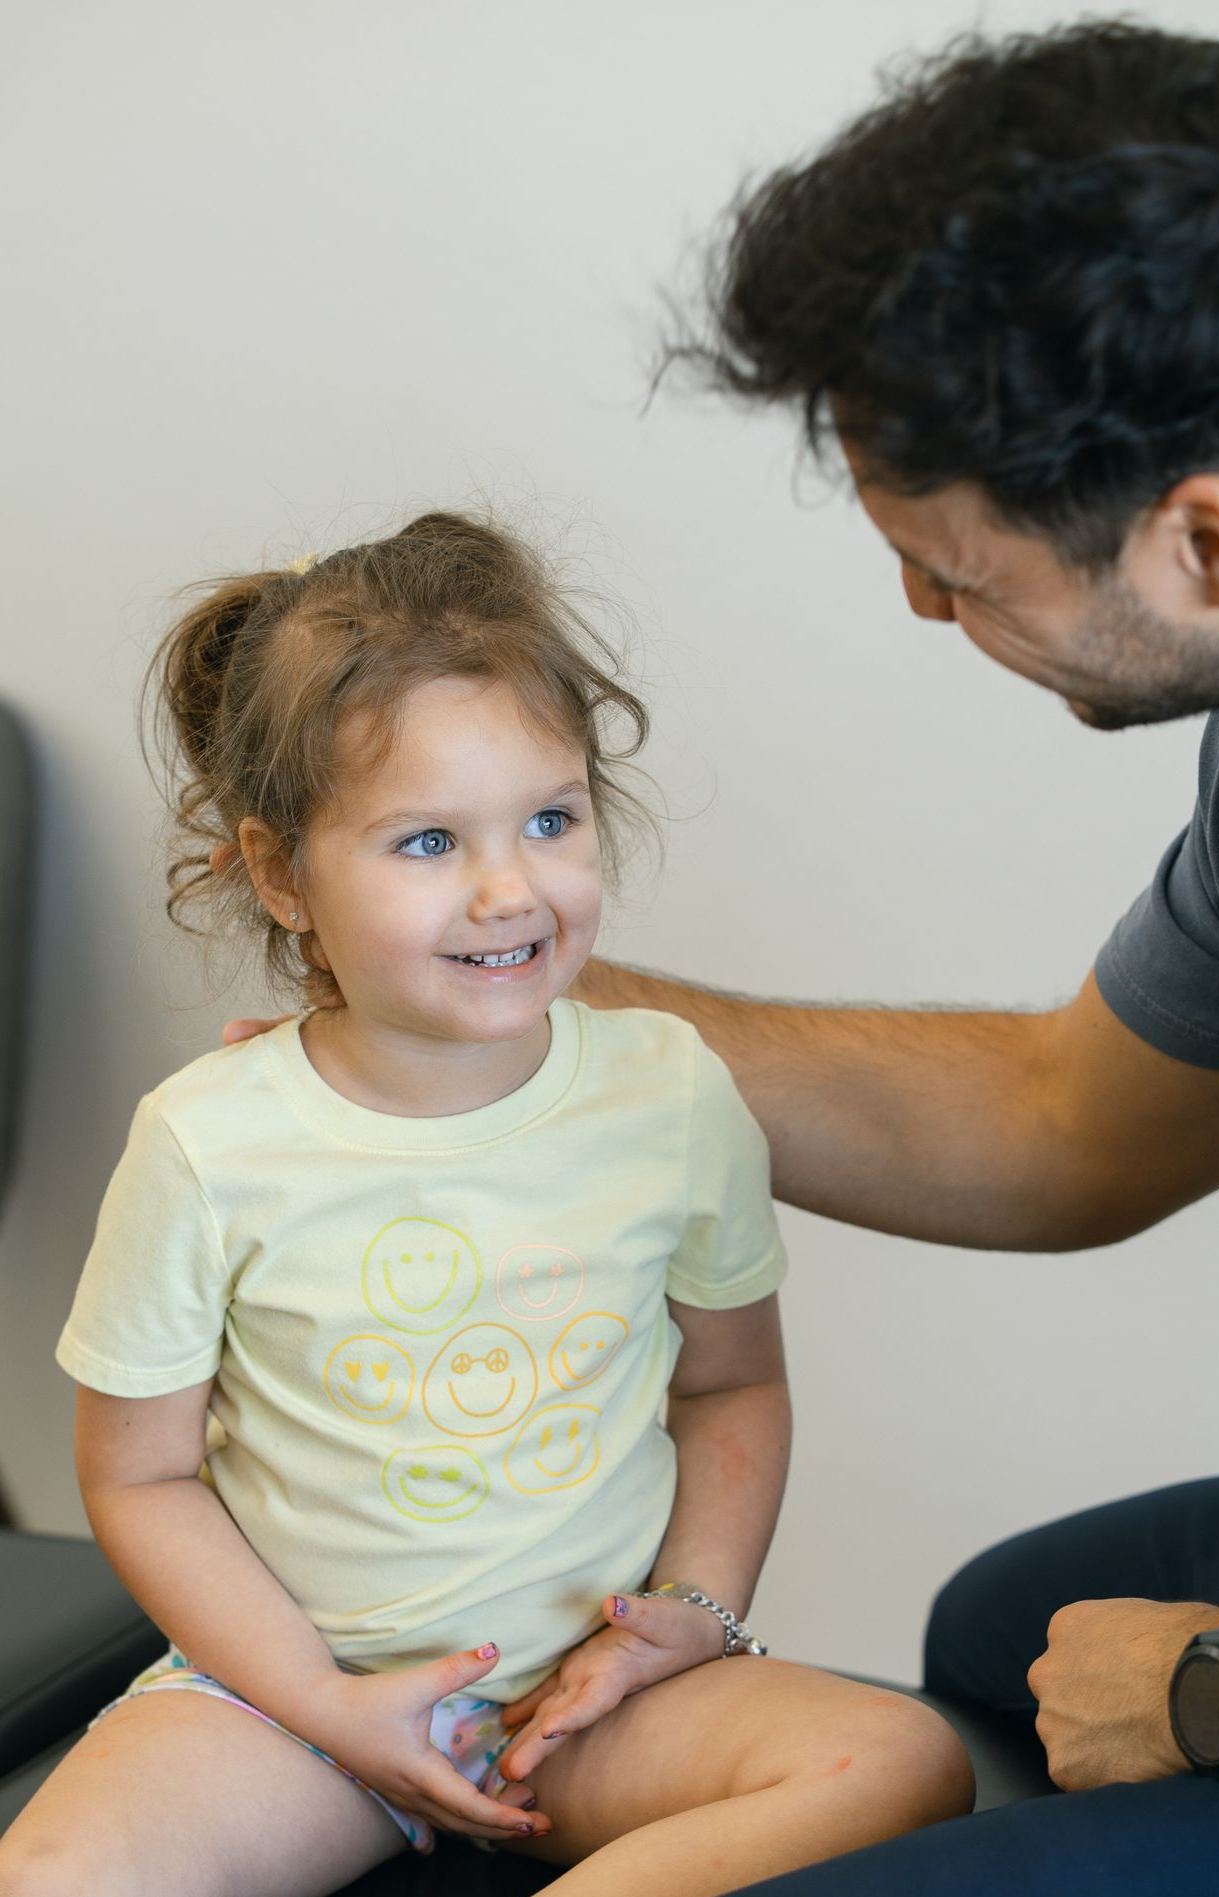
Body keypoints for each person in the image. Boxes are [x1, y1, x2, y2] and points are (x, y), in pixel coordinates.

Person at [485, 22, 1219, 1897]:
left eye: (961, 575)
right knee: (999, 1633)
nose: (922, 605)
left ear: (1208, 543)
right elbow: (1069, 1123)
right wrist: (530, 996)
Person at [0, 512, 972, 1897]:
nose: (510, 888)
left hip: (587, 1704)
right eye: (426, 842)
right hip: (295, 1711)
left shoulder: (672, 1092)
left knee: (901, 1763)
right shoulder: (207, 1142)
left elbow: (732, 1386)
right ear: (281, 876)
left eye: (551, 820)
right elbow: (138, 1476)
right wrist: (325, 1705)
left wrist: (691, 1614)